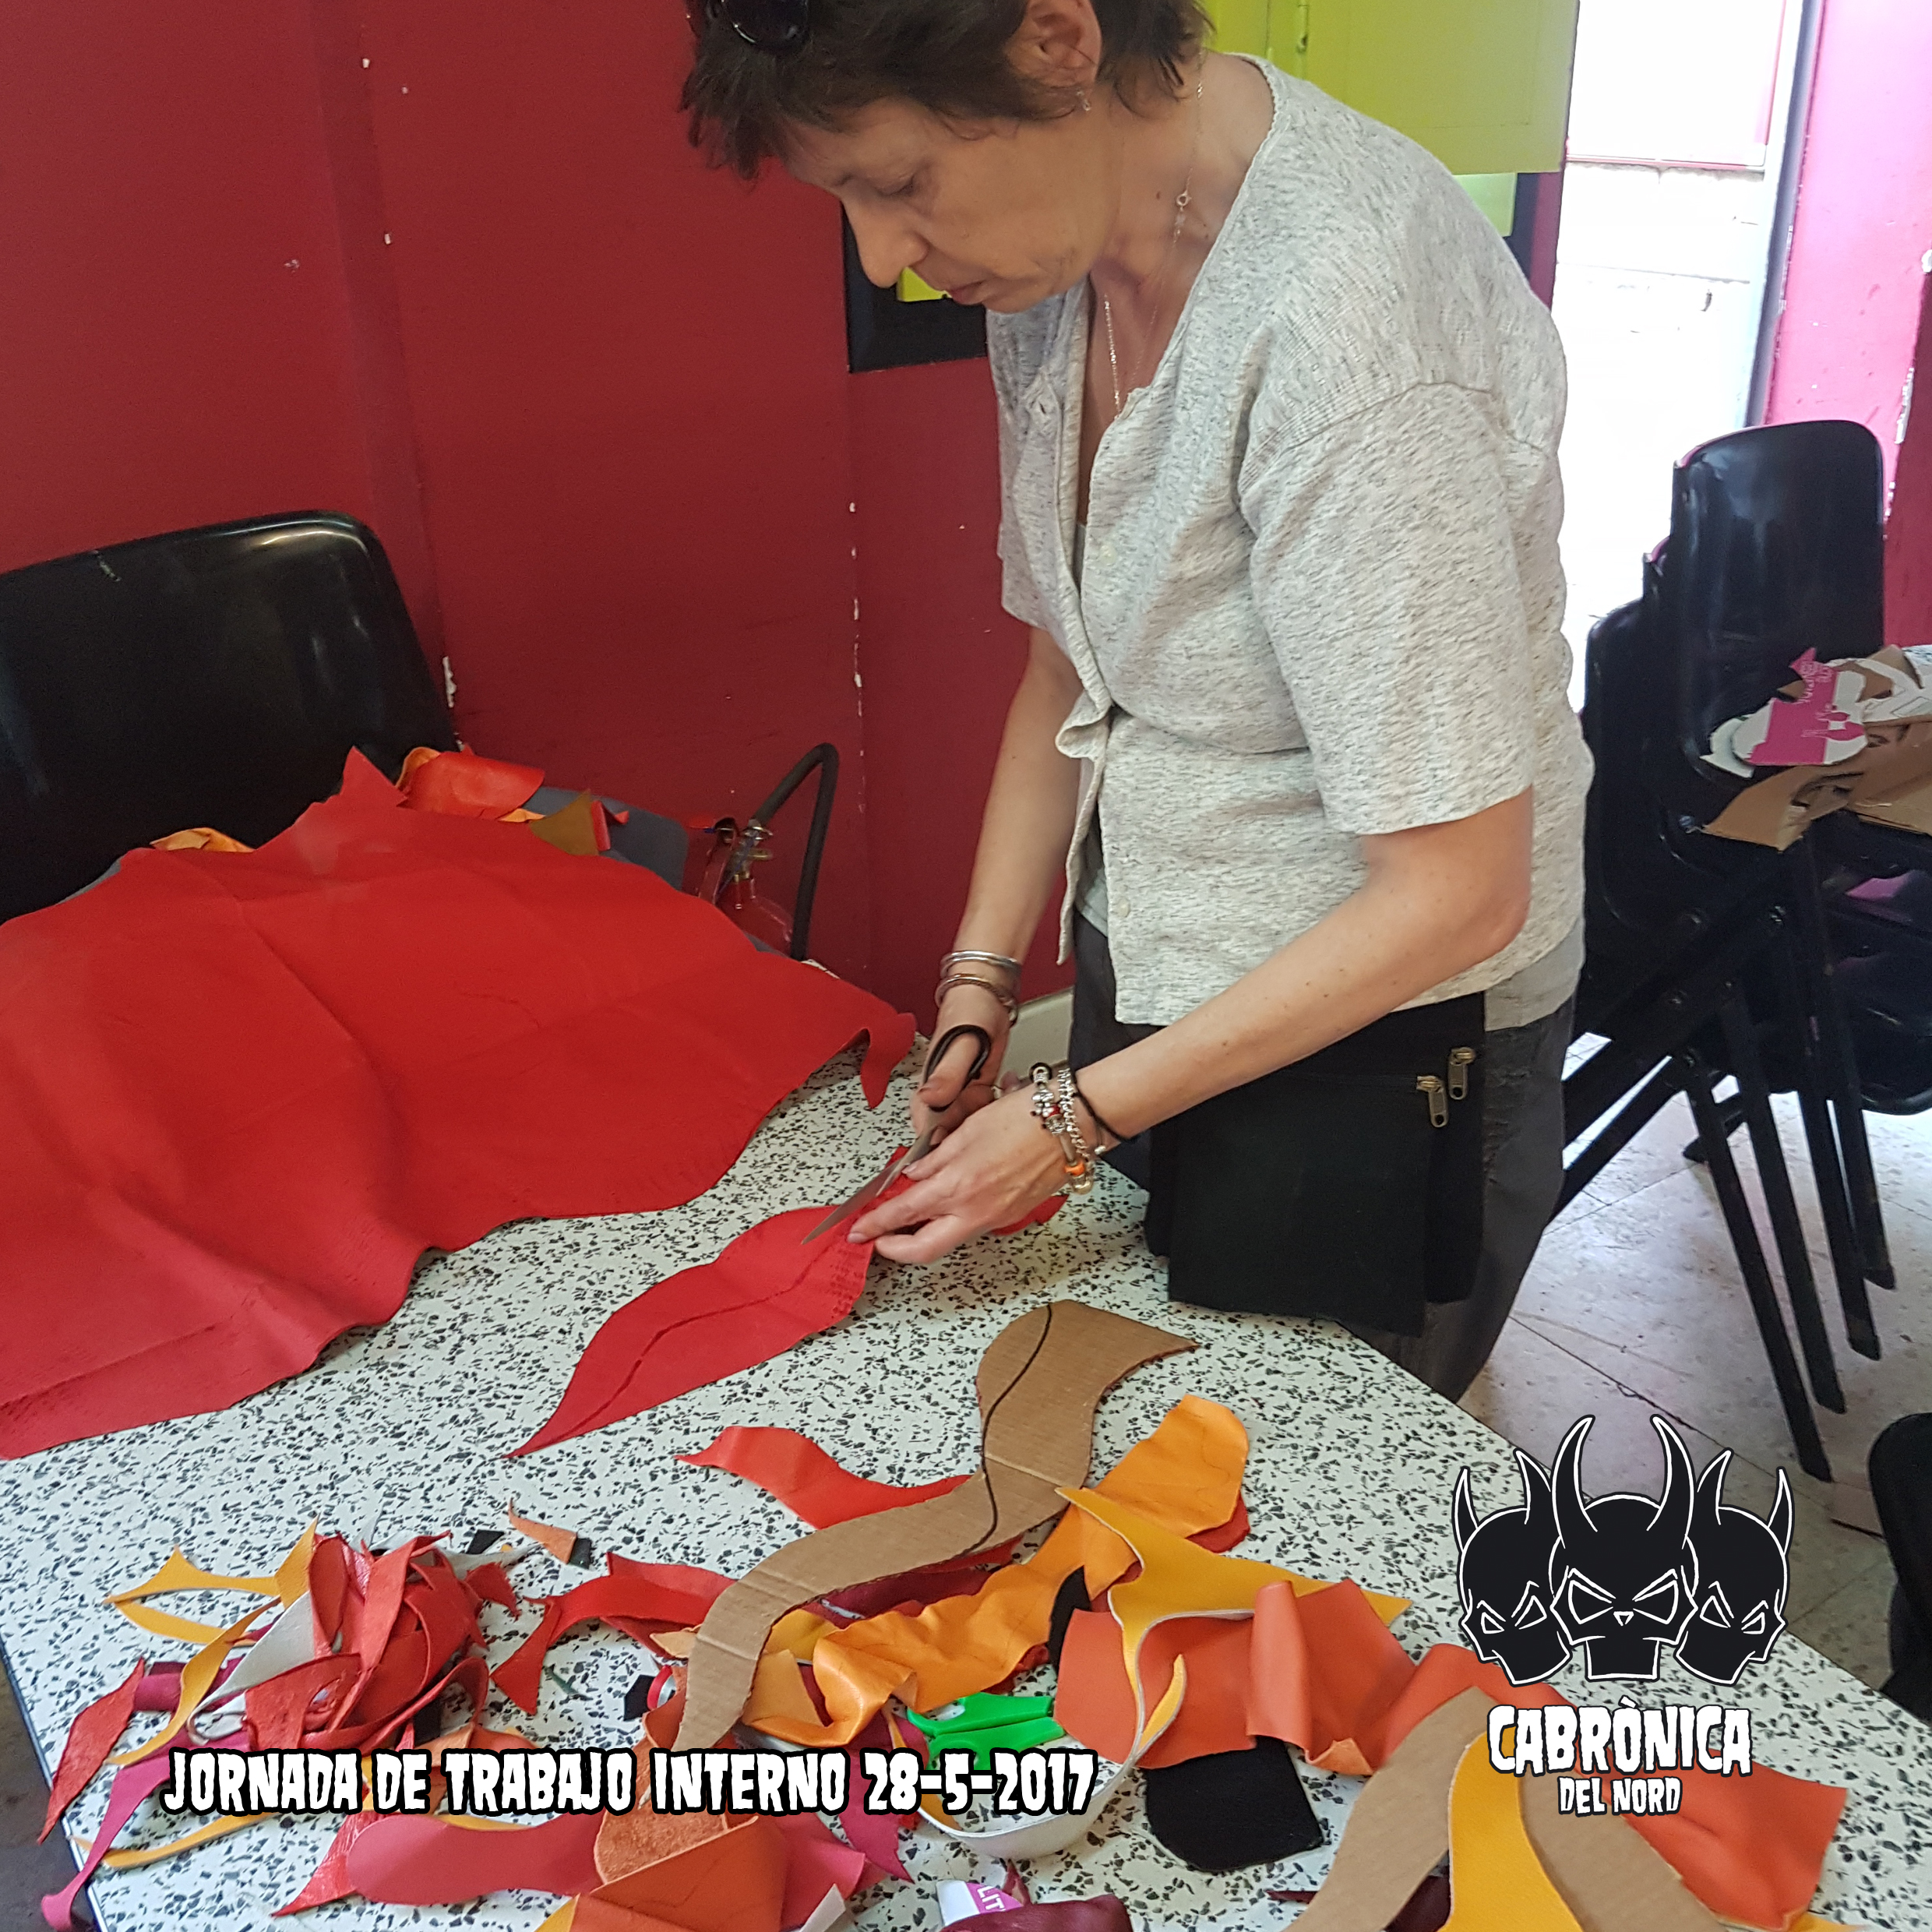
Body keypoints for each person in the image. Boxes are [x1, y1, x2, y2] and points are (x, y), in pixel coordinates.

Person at [683, 0, 1591, 1398]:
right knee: (1131, 1417)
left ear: (1057, 41)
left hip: (1388, 1032)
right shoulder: (1062, 264)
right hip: (1161, 964)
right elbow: (1068, 667)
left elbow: (1457, 890)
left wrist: (1071, 1119)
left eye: (902, 182)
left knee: (1294, 1484)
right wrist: (983, 981)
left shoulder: (1352, 330)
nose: (883, 256)